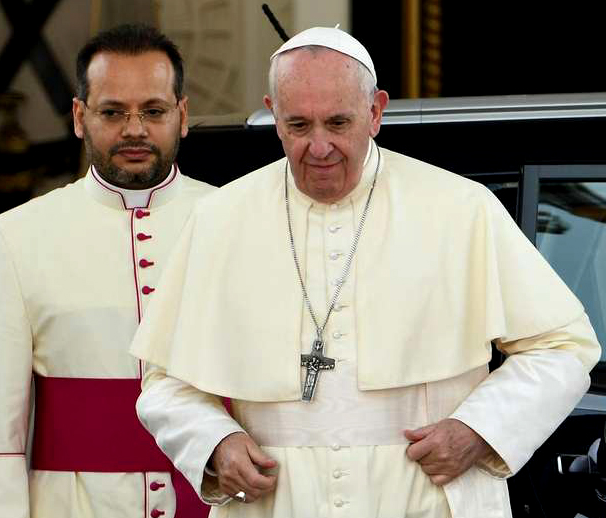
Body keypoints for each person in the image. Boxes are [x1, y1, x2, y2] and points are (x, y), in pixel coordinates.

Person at [130, 27, 601, 518]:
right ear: (274, 115)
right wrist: (215, 442)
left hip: (427, 498)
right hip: (276, 502)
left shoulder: (461, 208)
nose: (319, 147)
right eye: (298, 125)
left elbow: (564, 346)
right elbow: (165, 381)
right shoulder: (219, 218)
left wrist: (479, 430)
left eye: (338, 123)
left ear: (376, 112)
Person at [0, 24, 213, 518]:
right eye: (112, 112)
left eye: (153, 111)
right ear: (79, 117)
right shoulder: (15, 237)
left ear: (182, 116)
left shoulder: (235, 222)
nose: (134, 129)